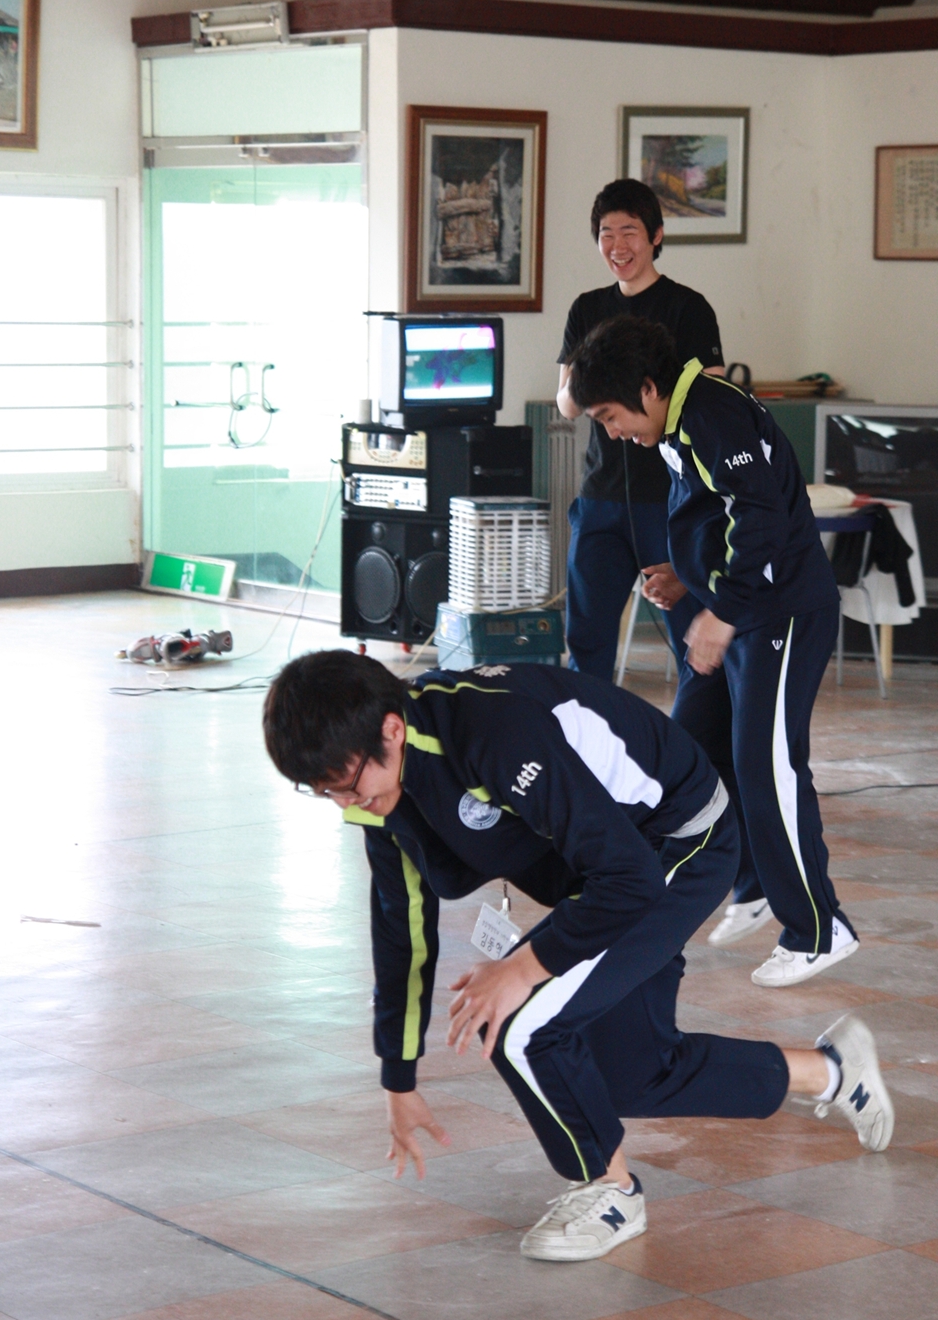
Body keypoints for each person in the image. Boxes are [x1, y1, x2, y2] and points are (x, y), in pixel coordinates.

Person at [263, 650, 892, 1262]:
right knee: (629, 1074)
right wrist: (397, 1079)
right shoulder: (380, 796)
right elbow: (402, 933)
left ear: (391, 731)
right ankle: (834, 1071)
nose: (344, 803)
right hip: (602, 873)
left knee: (519, 1021)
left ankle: (609, 1193)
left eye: (346, 783)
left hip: (679, 844)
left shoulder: (492, 731)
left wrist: (522, 968)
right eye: (322, 792)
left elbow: (629, 879)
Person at [565, 315, 862, 988]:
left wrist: (721, 611)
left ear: (647, 389)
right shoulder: (677, 422)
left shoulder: (710, 414)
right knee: (692, 753)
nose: (612, 433)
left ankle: (818, 929)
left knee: (768, 764)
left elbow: (760, 517)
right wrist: (687, 574)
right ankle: (752, 886)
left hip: (779, 612)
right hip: (737, 609)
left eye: (610, 417)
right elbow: (716, 512)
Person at [556, 178, 768, 926]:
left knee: (693, 650)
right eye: (605, 234)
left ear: (654, 236)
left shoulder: (687, 307)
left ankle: (694, 777)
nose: (617, 246)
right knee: (586, 636)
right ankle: (592, 770)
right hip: (601, 496)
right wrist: (587, 387)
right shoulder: (586, 307)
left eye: (628, 232)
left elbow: (703, 396)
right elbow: (567, 399)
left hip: (671, 498)